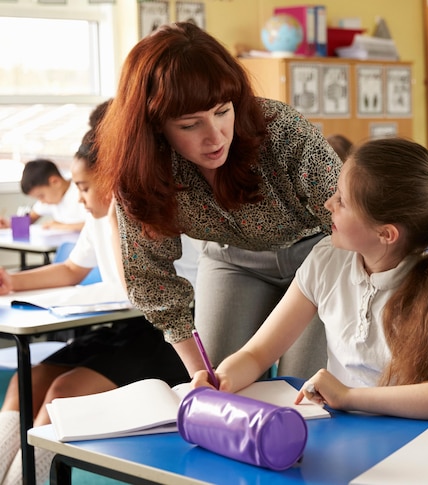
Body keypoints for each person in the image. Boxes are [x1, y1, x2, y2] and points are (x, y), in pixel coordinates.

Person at [192, 137, 428, 421]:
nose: (328, 204)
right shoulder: (326, 259)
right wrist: (222, 378)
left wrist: (348, 397)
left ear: (386, 234)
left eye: (342, 202)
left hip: (411, 443)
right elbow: (257, 354)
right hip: (344, 431)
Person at [92, 22, 346, 382]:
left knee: (301, 388)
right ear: (154, 126)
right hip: (232, 260)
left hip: (319, 255)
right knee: (221, 382)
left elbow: (352, 215)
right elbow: (151, 280)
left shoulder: (283, 130)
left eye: (222, 112)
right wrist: (203, 377)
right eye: (190, 125)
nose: (215, 137)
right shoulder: (140, 170)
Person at [0, 102, 192, 485]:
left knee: (63, 392)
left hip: (168, 336)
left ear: (114, 177)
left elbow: (135, 284)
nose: (81, 199)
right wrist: (11, 281)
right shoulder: (96, 217)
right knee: (29, 380)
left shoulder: (151, 216)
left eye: (86, 187)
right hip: (122, 331)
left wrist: (118, 213)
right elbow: (73, 269)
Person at [0, 159, 87, 231]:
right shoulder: (51, 200)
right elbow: (31, 218)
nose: (41, 201)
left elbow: (94, 225)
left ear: (55, 182)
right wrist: (9, 223)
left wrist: (61, 226)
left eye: (41, 196)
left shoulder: (81, 191)